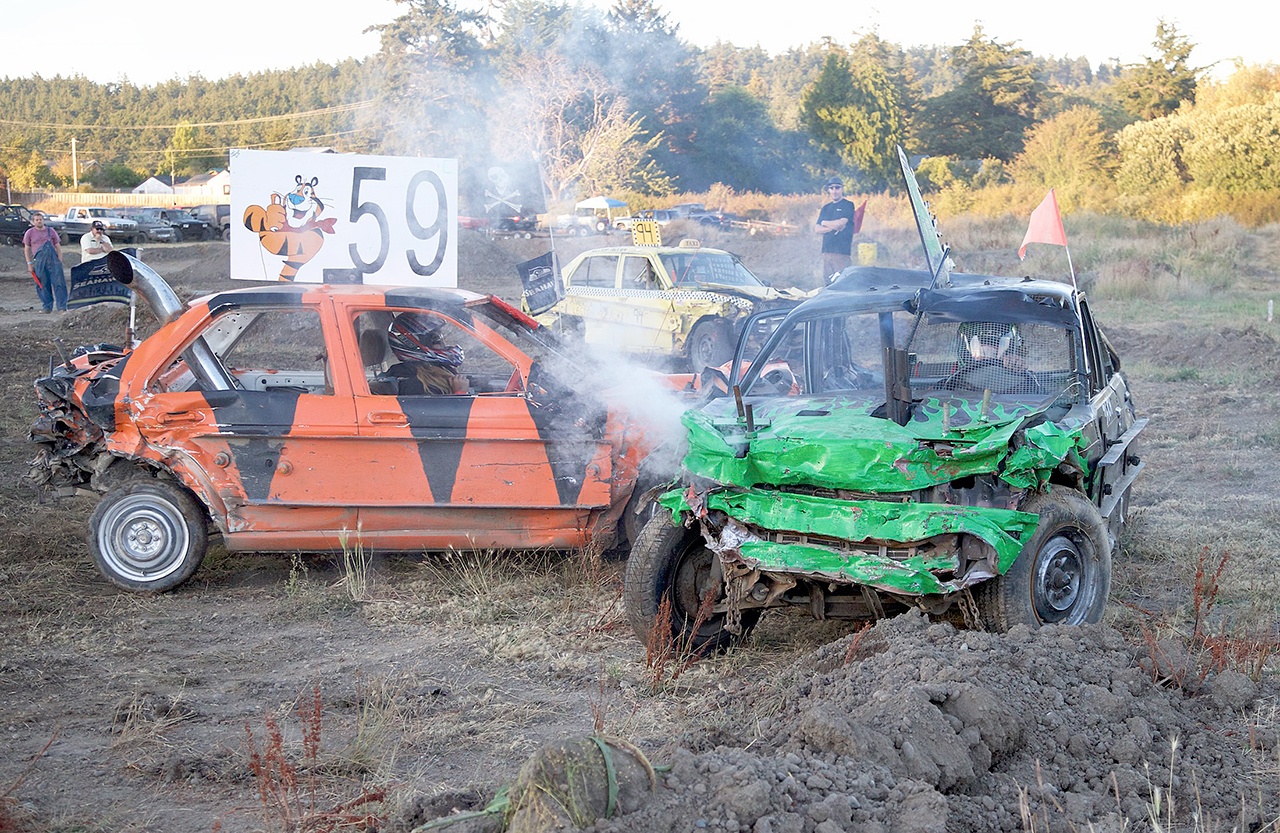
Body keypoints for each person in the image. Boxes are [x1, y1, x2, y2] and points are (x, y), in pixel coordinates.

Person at [381, 311, 467, 395]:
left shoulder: (437, 369)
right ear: (412, 344)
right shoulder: (413, 384)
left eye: (441, 339)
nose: (443, 345)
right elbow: (440, 409)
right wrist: (460, 393)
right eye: (436, 340)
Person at [22, 211, 67, 313]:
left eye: (40, 219)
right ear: (33, 222)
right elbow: (27, 249)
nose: (39, 221)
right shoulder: (29, 233)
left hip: (54, 261)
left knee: (59, 283)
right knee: (42, 284)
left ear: (43, 220)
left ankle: (62, 307)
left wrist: (59, 259)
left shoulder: (50, 231)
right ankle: (47, 307)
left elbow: (58, 246)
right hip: (39, 262)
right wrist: (29, 264)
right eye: (37, 220)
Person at [814, 175, 857, 280]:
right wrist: (830, 227)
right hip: (827, 252)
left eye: (837, 188)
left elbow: (841, 224)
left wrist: (824, 223)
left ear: (842, 188)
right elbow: (817, 228)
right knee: (828, 283)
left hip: (841, 252)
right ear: (828, 190)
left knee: (843, 282)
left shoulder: (848, 205)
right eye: (831, 188)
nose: (834, 191)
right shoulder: (826, 208)